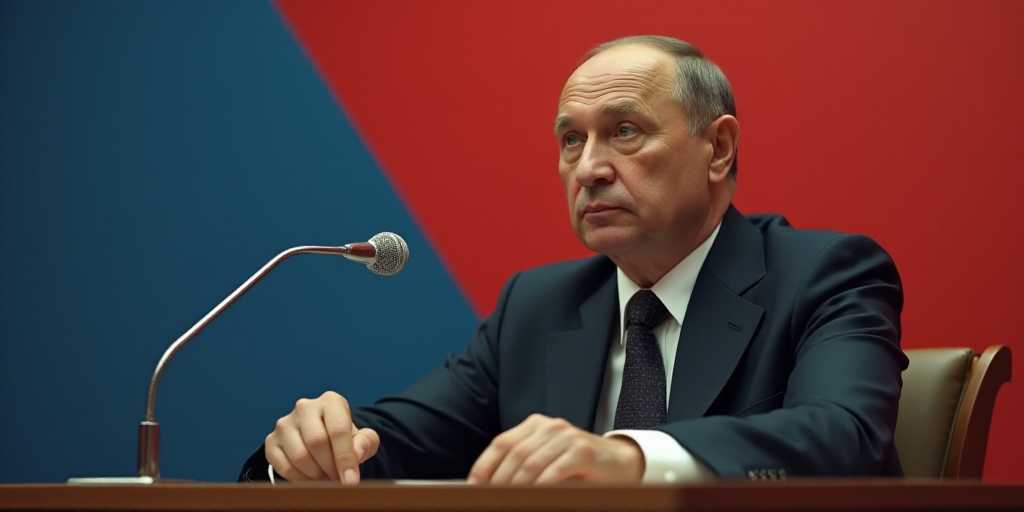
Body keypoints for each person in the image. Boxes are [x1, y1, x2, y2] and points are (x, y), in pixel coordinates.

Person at [238, 35, 909, 485]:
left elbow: (845, 438)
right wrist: (314, 449)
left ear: (718, 148)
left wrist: (629, 458)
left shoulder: (825, 274)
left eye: (624, 131)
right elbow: (398, 442)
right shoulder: (538, 307)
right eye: (570, 140)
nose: (588, 169)